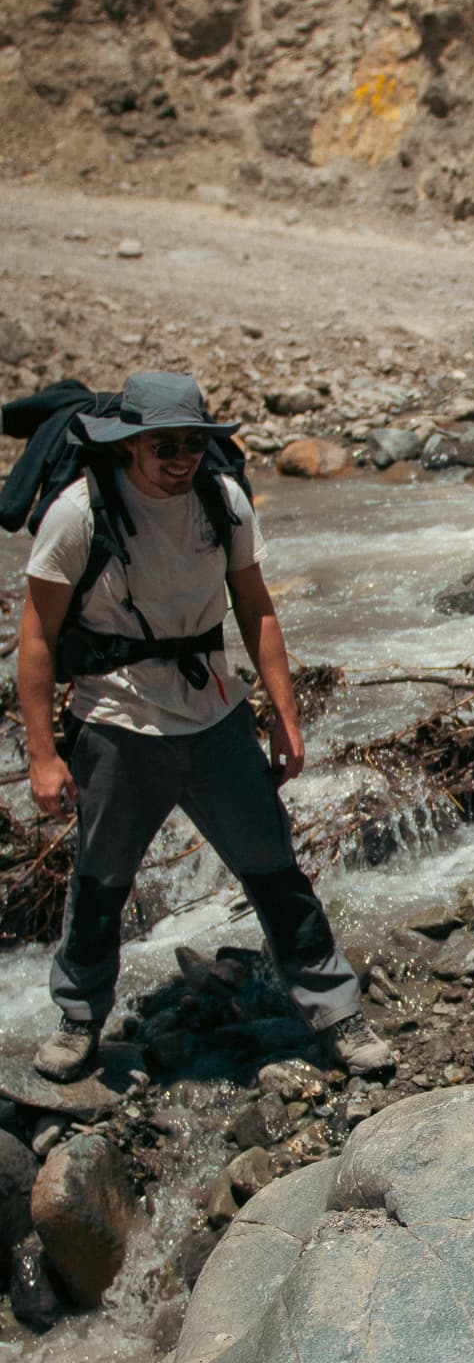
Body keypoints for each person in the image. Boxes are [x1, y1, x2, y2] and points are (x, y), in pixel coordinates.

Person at [17, 370, 395, 1085]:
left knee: (274, 870)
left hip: (217, 719)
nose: (181, 457)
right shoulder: (77, 515)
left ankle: (336, 1014)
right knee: (101, 881)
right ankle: (77, 1020)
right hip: (115, 724)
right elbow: (36, 637)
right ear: (128, 445)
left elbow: (256, 610)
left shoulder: (223, 502)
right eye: (164, 445)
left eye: (193, 443)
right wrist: (43, 754)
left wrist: (284, 716)